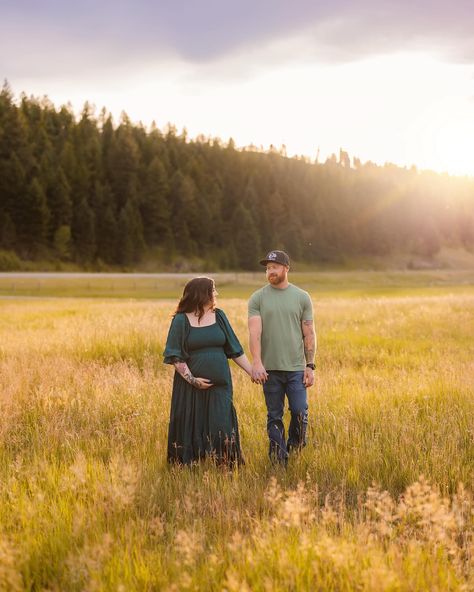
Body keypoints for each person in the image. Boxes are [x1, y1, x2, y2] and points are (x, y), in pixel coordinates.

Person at [163, 276, 252, 466]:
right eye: (213, 290)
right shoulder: (180, 320)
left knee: (222, 423)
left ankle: (226, 463)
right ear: (201, 294)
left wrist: (252, 371)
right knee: (191, 423)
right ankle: (189, 464)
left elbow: (235, 349)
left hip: (220, 384)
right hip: (190, 386)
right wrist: (193, 380)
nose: (216, 294)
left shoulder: (219, 316)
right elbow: (176, 356)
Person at [248, 250, 316, 465]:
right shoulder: (257, 298)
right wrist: (257, 362)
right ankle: (279, 459)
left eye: (274, 267)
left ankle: (295, 445)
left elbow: (309, 333)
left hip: (296, 368)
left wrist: (310, 365)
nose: (270, 271)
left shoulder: (302, 297)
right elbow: (254, 332)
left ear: (286, 268)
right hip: (270, 370)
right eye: (267, 268)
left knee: (298, 411)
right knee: (274, 415)